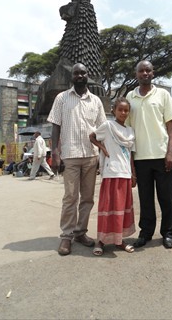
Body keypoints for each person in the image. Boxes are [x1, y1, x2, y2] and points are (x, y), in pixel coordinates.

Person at [48, 63, 107, 256]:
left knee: (88, 198)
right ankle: (66, 236)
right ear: (71, 77)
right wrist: (55, 153)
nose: (80, 75)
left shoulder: (96, 101)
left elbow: (102, 130)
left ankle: (80, 232)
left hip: (90, 156)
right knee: (70, 197)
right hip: (70, 155)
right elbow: (55, 127)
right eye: (76, 73)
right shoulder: (62, 98)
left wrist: (104, 155)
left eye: (83, 73)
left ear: (87, 75)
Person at [125, 60, 172, 249]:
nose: (145, 73)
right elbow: (128, 132)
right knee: (146, 199)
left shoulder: (162, 95)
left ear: (153, 73)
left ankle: (168, 233)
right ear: (136, 74)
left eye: (148, 70)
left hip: (162, 155)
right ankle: (146, 233)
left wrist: (170, 152)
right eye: (141, 71)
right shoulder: (130, 97)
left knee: (167, 198)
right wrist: (130, 163)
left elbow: (171, 128)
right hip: (140, 157)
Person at [88, 98, 137, 255]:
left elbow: (130, 154)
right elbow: (92, 136)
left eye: (126, 110)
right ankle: (101, 241)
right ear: (114, 110)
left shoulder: (130, 131)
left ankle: (119, 241)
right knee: (108, 208)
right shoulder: (108, 126)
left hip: (125, 174)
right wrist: (103, 148)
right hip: (111, 173)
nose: (123, 113)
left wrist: (133, 174)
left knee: (121, 209)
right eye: (120, 109)